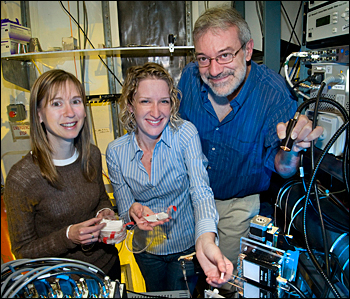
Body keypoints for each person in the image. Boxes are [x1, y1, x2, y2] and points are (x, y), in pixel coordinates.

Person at [177, 6, 323, 275]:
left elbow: (283, 166)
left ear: (247, 50)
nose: (214, 69)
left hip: (237, 204)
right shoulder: (188, 78)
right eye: (203, 58)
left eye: (224, 55)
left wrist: (294, 149)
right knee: (184, 272)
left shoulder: (273, 95)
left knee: (225, 277)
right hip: (188, 197)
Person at [106, 62, 233, 294]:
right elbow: (125, 213)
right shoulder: (116, 153)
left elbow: (201, 191)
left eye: (163, 101)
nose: (156, 112)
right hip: (147, 252)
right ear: (130, 105)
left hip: (184, 249)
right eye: (145, 101)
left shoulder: (185, 135)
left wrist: (206, 240)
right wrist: (133, 212)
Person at [3, 69, 121, 281]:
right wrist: (68, 236)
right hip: (64, 282)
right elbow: (22, 251)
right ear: (39, 114)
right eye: (56, 103)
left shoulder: (92, 155)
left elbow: (100, 197)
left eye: (76, 101)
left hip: (107, 269)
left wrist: (105, 212)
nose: (70, 112)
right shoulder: (21, 179)